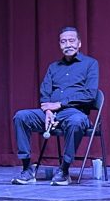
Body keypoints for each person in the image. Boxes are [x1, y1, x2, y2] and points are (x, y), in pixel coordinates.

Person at [11, 26, 99, 186]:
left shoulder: (90, 64)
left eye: (71, 41)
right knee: (21, 116)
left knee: (76, 121)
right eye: (63, 41)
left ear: (79, 43)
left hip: (75, 113)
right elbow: (45, 91)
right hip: (50, 113)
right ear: (59, 45)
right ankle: (27, 168)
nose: (68, 45)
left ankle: (64, 170)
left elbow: (90, 95)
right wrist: (49, 110)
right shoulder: (53, 67)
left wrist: (59, 104)